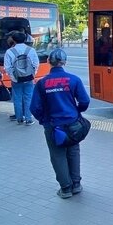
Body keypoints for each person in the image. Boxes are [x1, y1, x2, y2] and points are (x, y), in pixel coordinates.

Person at [30, 49, 90, 199]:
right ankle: (76, 184)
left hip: (53, 126)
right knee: (73, 152)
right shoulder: (74, 80)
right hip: (73, 123)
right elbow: (84, 101)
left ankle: (65, 188)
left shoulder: (42, 83)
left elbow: (35, 108)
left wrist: (43, 120)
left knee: (58, 156)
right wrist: (77, 112)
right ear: (65, 62)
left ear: (49, 61)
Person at [4, 32, 39, 125]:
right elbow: (36, 64)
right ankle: (28, 119)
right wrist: (32, 74)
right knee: (28, 98)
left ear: (14, 40)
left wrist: (13, 77)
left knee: (17, 98)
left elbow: (7, 67)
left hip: (16, 79)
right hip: (29, 78)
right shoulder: (31, 50)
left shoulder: (9, 52)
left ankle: (19, 118)